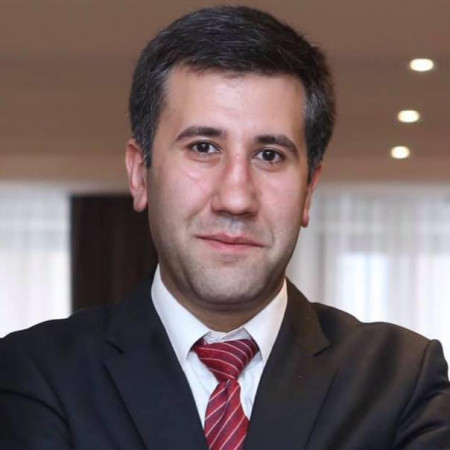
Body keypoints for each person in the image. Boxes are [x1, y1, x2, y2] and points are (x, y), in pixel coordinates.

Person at [1, 6, 449, 449]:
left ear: (309, 190)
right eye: (203, 148)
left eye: (269, 155)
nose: (236, 198)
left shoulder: (400, 381)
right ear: (140, 174)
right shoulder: (38, 374)